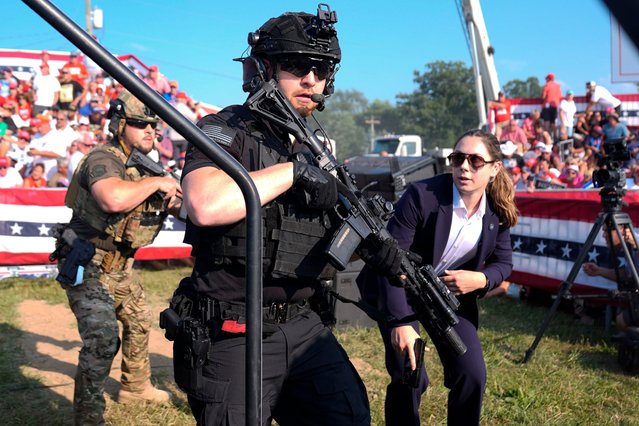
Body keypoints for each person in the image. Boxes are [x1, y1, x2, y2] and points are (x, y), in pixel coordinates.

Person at [170, 6, 370, 425]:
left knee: (348, 415)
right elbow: (205, 204)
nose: (311, 79)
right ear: (263, 69)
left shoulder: (317, 146)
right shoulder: (226, 128)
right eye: (297, 66)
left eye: (321, 69)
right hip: (234, 329)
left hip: (303, 325)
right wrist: (291, 172)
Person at [357, 129, 517, 425]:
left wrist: (480, 280)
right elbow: (389, 259)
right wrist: (401, 322)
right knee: (411, 374)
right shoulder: (422, 195)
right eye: (457, 159)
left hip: (446, 299)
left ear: (495, 168)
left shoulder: (497, 210)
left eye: (475, 161)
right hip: (397, 288)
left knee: (472, 374)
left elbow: (504, 263)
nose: (464, 167)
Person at [53, 91, 182, 425]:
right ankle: (88, 416)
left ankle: (135, 386)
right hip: (87, 262)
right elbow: (111, 198)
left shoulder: (145, 166)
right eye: (140, 124)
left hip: (121, 266)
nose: (150, 130)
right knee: (102, 339)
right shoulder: (104, 158)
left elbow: (177, 206)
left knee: (139, 320)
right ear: (120, 124)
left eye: (154, 125)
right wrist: (158, 181)